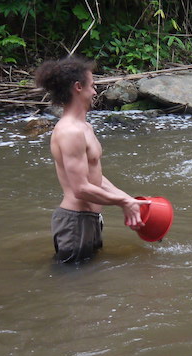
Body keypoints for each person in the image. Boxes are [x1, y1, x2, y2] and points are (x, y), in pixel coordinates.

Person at [34, 55, 149, 263]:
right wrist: (122, 202)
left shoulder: (85, 127)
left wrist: (129, 199)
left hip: (88, 220)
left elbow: (95, 177)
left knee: (89, 283)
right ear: (78, 87)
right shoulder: (70, 131)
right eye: (92, 85)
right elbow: (81, 189)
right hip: (74, 223)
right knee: (72, 287)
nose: (95, 91)